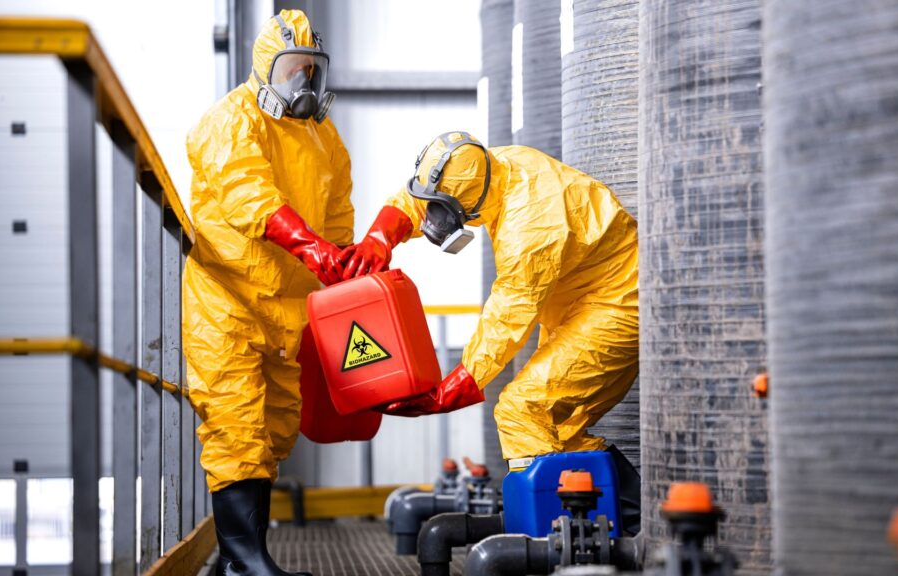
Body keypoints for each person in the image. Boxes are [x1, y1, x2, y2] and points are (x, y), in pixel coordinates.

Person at [343, 131, 641, 534]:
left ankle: (553, 540)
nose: (432, 218)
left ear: (466, 201)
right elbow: (425, 194)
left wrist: (456, 387)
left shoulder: (530, 224)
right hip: (577, 301)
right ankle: (625, 521)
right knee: (558, 428)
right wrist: (381, 237)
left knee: (522, 410)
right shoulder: (486, 171)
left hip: (617, 302)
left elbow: (508, 314)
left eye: (441, 211)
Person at [182, 10, 351, 575]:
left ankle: (244, 560)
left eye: (310, 70)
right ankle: (247, 562)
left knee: (276, 427)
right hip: (226, 300)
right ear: (264, 71)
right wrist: (310, 247)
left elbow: (339, 215)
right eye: (291, 71)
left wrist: (343, 267)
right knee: (236, 424)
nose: (301, 83)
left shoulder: (325, 138)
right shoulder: (230, 122)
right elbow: (249, 197)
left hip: (288, 307)